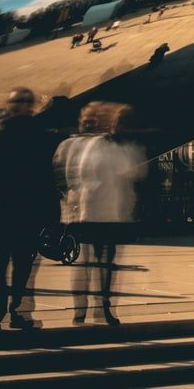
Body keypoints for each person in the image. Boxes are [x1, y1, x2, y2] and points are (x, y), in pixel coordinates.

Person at [55, 102, 144, 324]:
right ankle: (83, 308)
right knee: (89, 262)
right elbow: (79, 175)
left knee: (105, 263)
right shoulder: (93, 145)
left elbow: (132, 171)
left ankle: (103, 307)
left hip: (111, 213)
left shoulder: (117, 146)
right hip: (93, 211)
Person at [0, 87, 57, 330]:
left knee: (5, 260)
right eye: (23, 101)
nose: (24, 105)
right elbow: (46, 175)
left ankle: (0, 313)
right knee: (18, 261)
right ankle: (11, 312)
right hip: (23, 205)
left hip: (7, 205)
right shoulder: (37, 133)